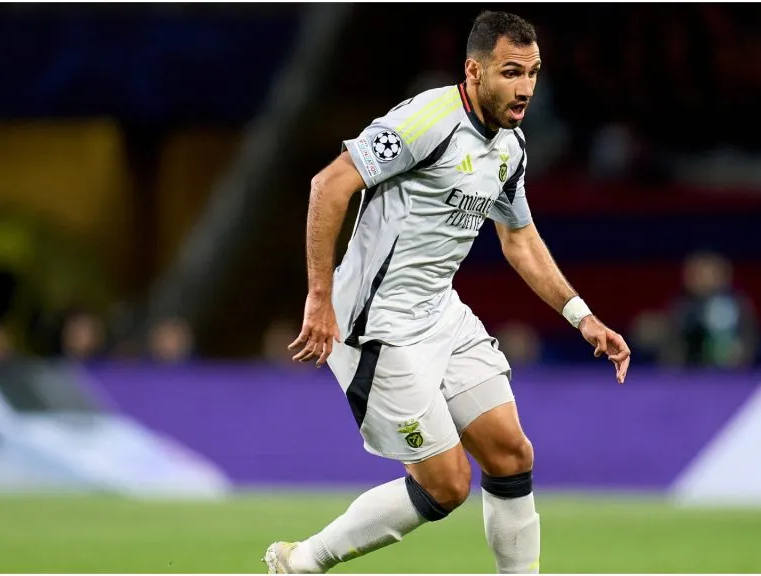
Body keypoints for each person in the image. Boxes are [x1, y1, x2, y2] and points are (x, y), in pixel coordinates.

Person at [266, 10, 631, 575]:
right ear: (474, 70)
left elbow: (520, 239)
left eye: (533, 73)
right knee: (446, 485)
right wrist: (319, 298)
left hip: (440, 313)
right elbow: (329, 184)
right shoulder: (426, 121)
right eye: (511, 72)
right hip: (376, 325)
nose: (526, 88)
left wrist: (581, 315)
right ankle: (305, 560)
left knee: (511, 453)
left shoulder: (510, 146)